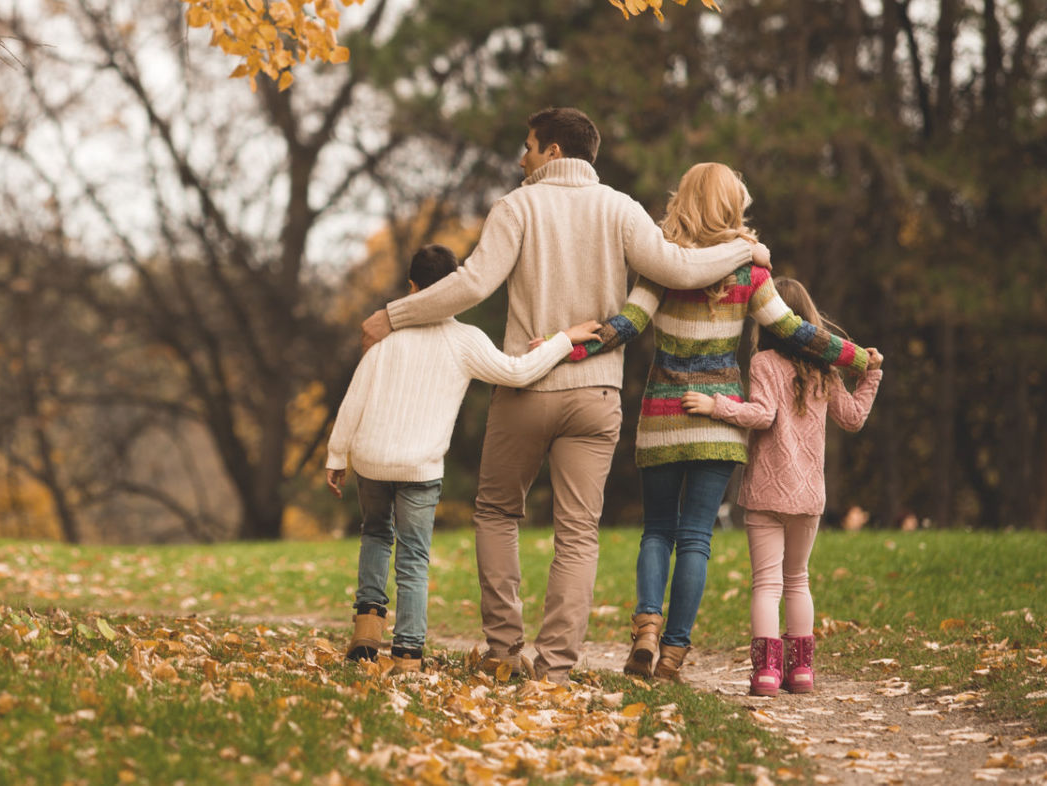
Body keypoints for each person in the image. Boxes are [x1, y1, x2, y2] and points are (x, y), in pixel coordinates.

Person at [359, 108, 769, 681]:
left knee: (497, 512)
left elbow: (473, 284)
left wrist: (393, 315)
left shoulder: (516, 206)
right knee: (578, 532)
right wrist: (745, 251)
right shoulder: (621, 209)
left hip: (526, 386)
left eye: (527, 146)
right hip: (596, 393)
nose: (520, 158)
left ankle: (504, 652)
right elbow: (677, 267)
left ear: (553, 151)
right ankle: (556, 667)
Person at [547, 162, 873, 682]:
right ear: (731, 207)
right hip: (719, 422)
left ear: (685, 200)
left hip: (663, 413)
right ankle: (674, 652)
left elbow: (627, 325)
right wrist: (853, 357)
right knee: (696, 537)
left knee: (657, 530)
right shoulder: (750, 274)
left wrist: (567, 347)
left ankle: (647, 629)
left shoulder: (660, 265)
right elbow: (793, 331)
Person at [327, 244, 602, 674]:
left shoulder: (388, 336)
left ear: (412, 288)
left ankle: (366, 632)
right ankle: (407, 655)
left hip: (371, 460)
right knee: (414, 556)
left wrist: (336, 453)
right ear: (456, 289)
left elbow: (355, 396)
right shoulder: (465, 341)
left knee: (376, 535)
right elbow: (518, 372)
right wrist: (563, 340)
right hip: (419, 467)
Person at [682, 277, 884, 695]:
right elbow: (853, 418)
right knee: (798, 579)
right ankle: (803, 672)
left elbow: (762, 415)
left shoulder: (763, 363)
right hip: (808, 494)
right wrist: (872, 377)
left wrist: (715, 405)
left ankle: (768, 673)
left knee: (767, 584)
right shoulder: (825, 369)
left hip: (766, 493)